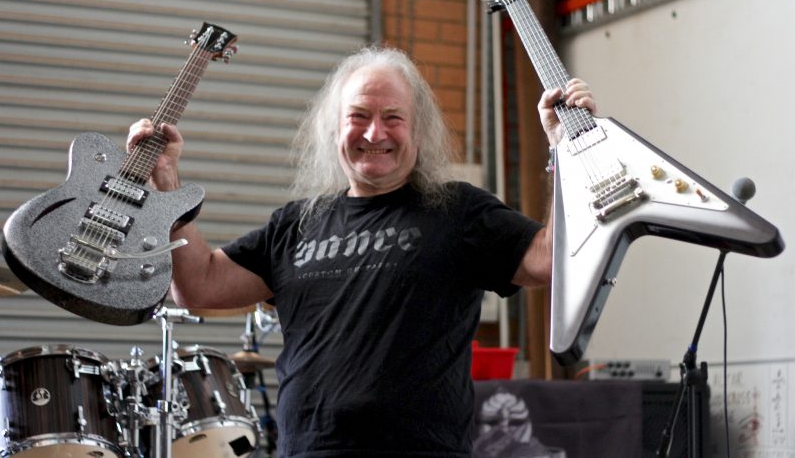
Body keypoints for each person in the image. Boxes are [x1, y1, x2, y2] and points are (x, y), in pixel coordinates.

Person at [127, 46, 596, 457]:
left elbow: (551, 259)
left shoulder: (459, 212)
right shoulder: (295, 224)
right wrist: (167, 187)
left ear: (418, 131)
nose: (375, 134)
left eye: (393, 117)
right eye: (359, 117)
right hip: (307, 449)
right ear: (335, 129)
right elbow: (197, 286)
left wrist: (564, 150)